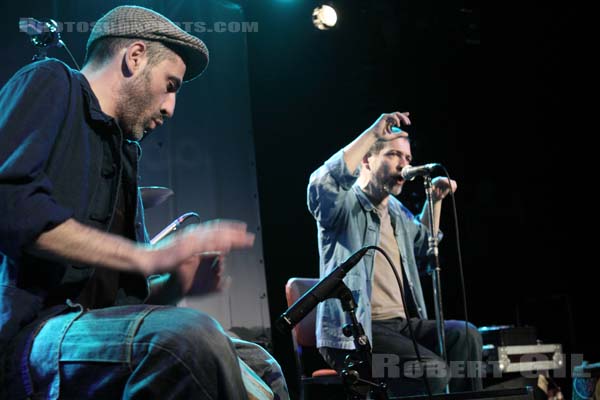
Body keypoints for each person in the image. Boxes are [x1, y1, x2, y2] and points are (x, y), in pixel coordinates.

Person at [0, 5, 287, 400]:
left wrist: (175, 283)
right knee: (188, 338)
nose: (170, 108)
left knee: (261, 365)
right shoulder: (50, 81)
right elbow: (11, 206)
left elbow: (128, 306)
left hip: (96, 333)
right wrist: (149, 258)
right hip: (32, 336)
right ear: (134, 58)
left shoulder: (125, 156)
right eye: (171, 86)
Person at [307, 112, 483, 395]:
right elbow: (322, 184)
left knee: (466, 336)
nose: (404, 164)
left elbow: (426, 251)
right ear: (367, 159)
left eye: (408, 159)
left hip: (400, 328)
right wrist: (372, 135)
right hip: (356, 332)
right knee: (432, 371)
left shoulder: (397, 212)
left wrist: (433, 202)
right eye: (394, 155)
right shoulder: (344, 205)